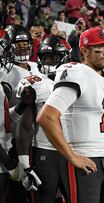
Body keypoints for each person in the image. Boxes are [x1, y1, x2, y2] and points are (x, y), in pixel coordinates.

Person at [37, 27, 104, 203]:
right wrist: (72, 156)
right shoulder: (77, 73)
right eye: (100, 48)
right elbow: (46, 117)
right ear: (84, 51)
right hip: (84, 158)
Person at [16, 35, 71, 202]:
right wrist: (25, 165)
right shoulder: (37, 84)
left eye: (53, 57)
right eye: (45, 58)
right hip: (45, 152)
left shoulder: (78, 81)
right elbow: (25, 126)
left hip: (73, 151)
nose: (48, 62)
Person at [0, 32, 36, 203]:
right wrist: (8, 162)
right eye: (5, 53)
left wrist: (22, 105)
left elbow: (4, 121)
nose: (7, 58)